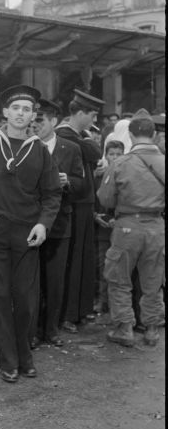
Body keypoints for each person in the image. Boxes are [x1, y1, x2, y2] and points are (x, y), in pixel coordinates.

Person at [0, 85, 61, 383]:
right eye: (16, 108)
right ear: (6, 113)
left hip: (28, 234)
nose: (21, 114)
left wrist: (43, 224)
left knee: (25, 299)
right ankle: (7, 361)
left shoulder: (40, 150)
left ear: (33, 115)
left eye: (27, 110)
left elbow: (52, 194)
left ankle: (25, 355)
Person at [97, 109, 165, 347]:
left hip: (127, 226)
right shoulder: (164, 161)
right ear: (154, 134)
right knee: (154, 279)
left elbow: (105, 199)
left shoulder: (121, 163)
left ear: (131, 135)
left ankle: (124, 328)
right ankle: (153, 329)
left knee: (119, 279)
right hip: (157, 226)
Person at [31, 99, 85, 347]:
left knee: (55, 281)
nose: (35, 125)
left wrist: (68, 182)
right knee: (30, 282)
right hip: (30, 225)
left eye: (40, 120)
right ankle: (31, 330)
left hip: (59, 226)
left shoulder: (71, 148)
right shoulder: (25, 146)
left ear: (53, 121)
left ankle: (51, 329)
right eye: (34, 121)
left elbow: (83, 185)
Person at [55, 89, 104, 333]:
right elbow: (96, 153)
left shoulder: (78, 136)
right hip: (71, 206)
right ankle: (67, 313)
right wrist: (88, 140)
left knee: (84, 260)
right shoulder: (65, 136)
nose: (94, 121)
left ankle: (81, 310)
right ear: (81, 113)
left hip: (85, 205)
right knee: (72, 261)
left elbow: (95, 154)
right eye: (92, 115)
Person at [93, 140, 125, 314]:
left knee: (119, 268)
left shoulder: (127, 175)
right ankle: (102, 300)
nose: (115, 157)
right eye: (112, 154)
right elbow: (92, 199)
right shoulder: (99, 176)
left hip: (121, 227)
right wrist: (95, 216)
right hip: (102, 228)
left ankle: (114, 304)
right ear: (105, 155)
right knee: (102, 266)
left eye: (118, 154)